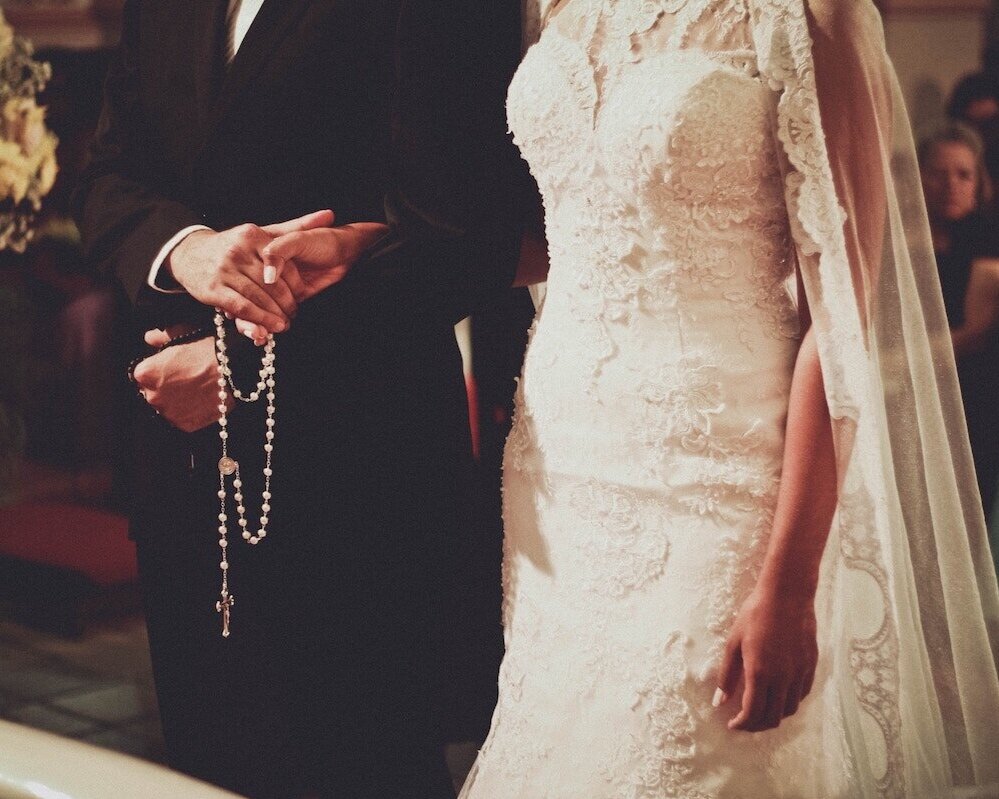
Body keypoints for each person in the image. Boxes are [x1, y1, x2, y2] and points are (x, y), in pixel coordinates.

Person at [454, 0, 999, 796]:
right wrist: (373, 247)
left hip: (716, 484)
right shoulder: (558, 6)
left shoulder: (814, 13)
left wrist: (788, 582)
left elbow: (838, 321)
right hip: (560, 473)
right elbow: (577, 216)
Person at [72, 1, 527, 797]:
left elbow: (461, 236)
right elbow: (108, 172)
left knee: (360, 766)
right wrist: (188, 250)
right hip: (182, 475)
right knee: (205, 765)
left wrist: (242, 365)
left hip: (358, 472)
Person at [920, 121, 999, 525]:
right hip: (914, 400)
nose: (951, 184)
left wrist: (905, 359)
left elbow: (975, 335)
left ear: (977, 181)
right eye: (938, 173)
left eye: (963, 174)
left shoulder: (989, 243)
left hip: (974, 400)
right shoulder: (902, 244)